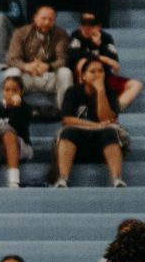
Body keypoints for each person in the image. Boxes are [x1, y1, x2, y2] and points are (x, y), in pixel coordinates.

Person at [54, 56, 129, 189]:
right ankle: (63, 179)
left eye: (100, 71)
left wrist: (100, 91)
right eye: (92, 71)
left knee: (110, 132)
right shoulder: (72, 92)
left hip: (103, 144)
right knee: (68, 132)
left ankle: (117, 179)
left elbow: (106, 118)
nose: (97, 75)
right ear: (83, 76)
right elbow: (67, 119)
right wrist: (95, 126)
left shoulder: (109, 92)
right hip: (78, 145)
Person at [68, 13, 142, 112]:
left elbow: (114, 63)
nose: (85, 28)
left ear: (98, 27)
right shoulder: (76, 35)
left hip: (104, 77)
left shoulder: (106, 38)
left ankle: (115, 109)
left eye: (90, 25)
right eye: (83, 25)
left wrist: (100, 46)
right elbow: (72, 56)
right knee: (82, 62)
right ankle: (83, 103)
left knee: (136, 85)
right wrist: (101, 57)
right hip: (82, 80)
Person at [5, 5, 73, 109]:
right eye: (43, 18)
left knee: (65, 72)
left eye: (50, 20)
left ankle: (65, 111)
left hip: (49, 76)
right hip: (27, 76)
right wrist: (26, 66)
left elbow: (62, 59)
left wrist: (48, 66)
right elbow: (13, 59)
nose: (46, 23)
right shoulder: (20, 32)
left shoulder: (61, 34)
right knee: (11, 73)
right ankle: (12, 110)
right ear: (35, 18)